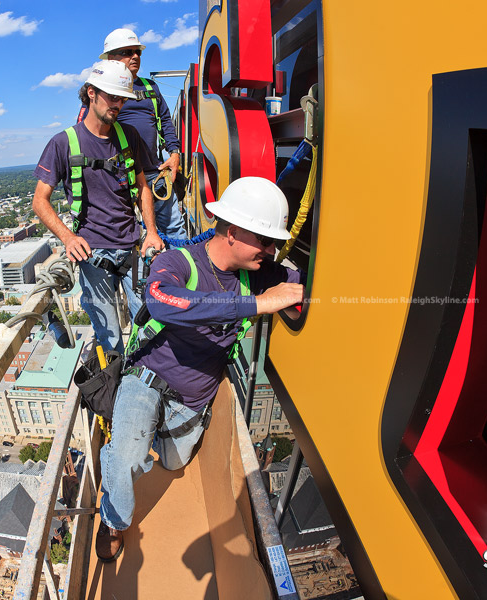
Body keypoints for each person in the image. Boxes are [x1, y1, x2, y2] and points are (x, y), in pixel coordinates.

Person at [95, 176, 305, 562]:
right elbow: (161, 300)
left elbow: (300, 286)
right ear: (232, 231)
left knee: (173, 462)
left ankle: (143, 436)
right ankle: (113, 516)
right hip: (148, 378)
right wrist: (255, 305)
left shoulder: (258, 273)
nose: (273, 250)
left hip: (192, 397)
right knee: (126, 458)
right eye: (265, 240)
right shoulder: (180, 261)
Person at [32, 60, 164, 353]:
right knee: (110, 339)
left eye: (122, 99)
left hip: (132, 248)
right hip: (94, 255)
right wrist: (68, 237)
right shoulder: (63, 143)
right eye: (112, 97)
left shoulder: (128, 136)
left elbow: (143, 186)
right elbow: (39, 200)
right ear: (91, 92)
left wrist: (151, 232)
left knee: (151, 327)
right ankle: (113, 389)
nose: (117, 104)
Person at [80, 28, 187, 240]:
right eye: (128, 52)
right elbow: (88, 131)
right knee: (124, 233)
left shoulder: (149, 88)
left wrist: (174, 153)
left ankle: (179, 269)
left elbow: (165, 120)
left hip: (153, 171)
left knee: (174, 228)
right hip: (118, 174)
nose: (135, 56)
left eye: (137, 52)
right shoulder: (101, 90)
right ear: (111, 58)